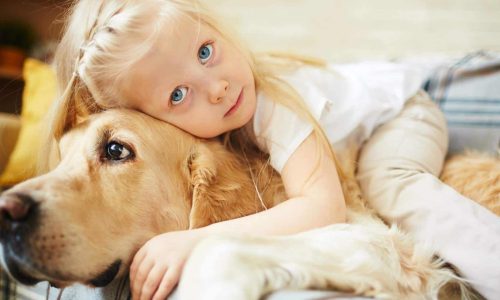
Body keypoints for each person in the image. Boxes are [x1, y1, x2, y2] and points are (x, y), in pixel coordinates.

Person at [44, 1, 500, 299]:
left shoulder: (275, 109)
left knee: (393, 185)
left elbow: (323, 208)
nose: (218, 87)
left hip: (401, 112)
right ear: (157, 120)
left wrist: (192, 239)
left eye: (205, 52)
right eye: (179, 95)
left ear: (217, 29)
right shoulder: (204, 128)